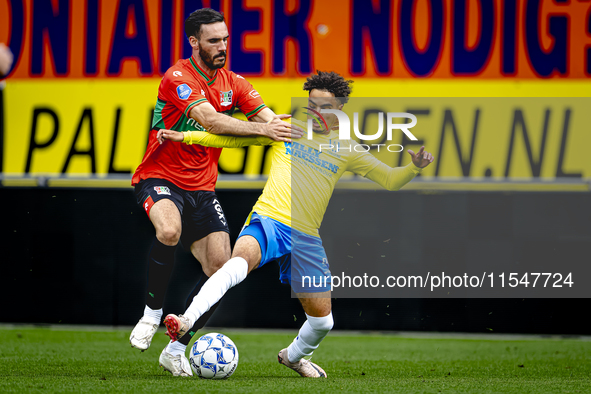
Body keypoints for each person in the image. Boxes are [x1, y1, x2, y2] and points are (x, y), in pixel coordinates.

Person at [158, 70, 434, 378]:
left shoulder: (348, 149)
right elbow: (231, 139)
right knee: (236, 265)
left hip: (305, 237)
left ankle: (293, 356)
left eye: (325, 107)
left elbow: (390, 179)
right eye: (312, 105)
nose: (316, 112)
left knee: (322, 322)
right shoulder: (287, 129)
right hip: (271, 220)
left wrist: (413, 167)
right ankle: (185, 319)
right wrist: (187, 136)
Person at [129, 8, 302, 377]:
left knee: (221, 270)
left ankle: (175, 349)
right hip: (159, 176)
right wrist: (264, 131)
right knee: (169, 231)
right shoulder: (177, 76)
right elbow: (209, 119)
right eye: (213, 40)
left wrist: (300, 129)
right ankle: (152, 313)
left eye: (225, 38)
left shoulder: (235, 82)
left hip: (203, 188)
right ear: (194, 42)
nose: (222, 46)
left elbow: (269, 119)